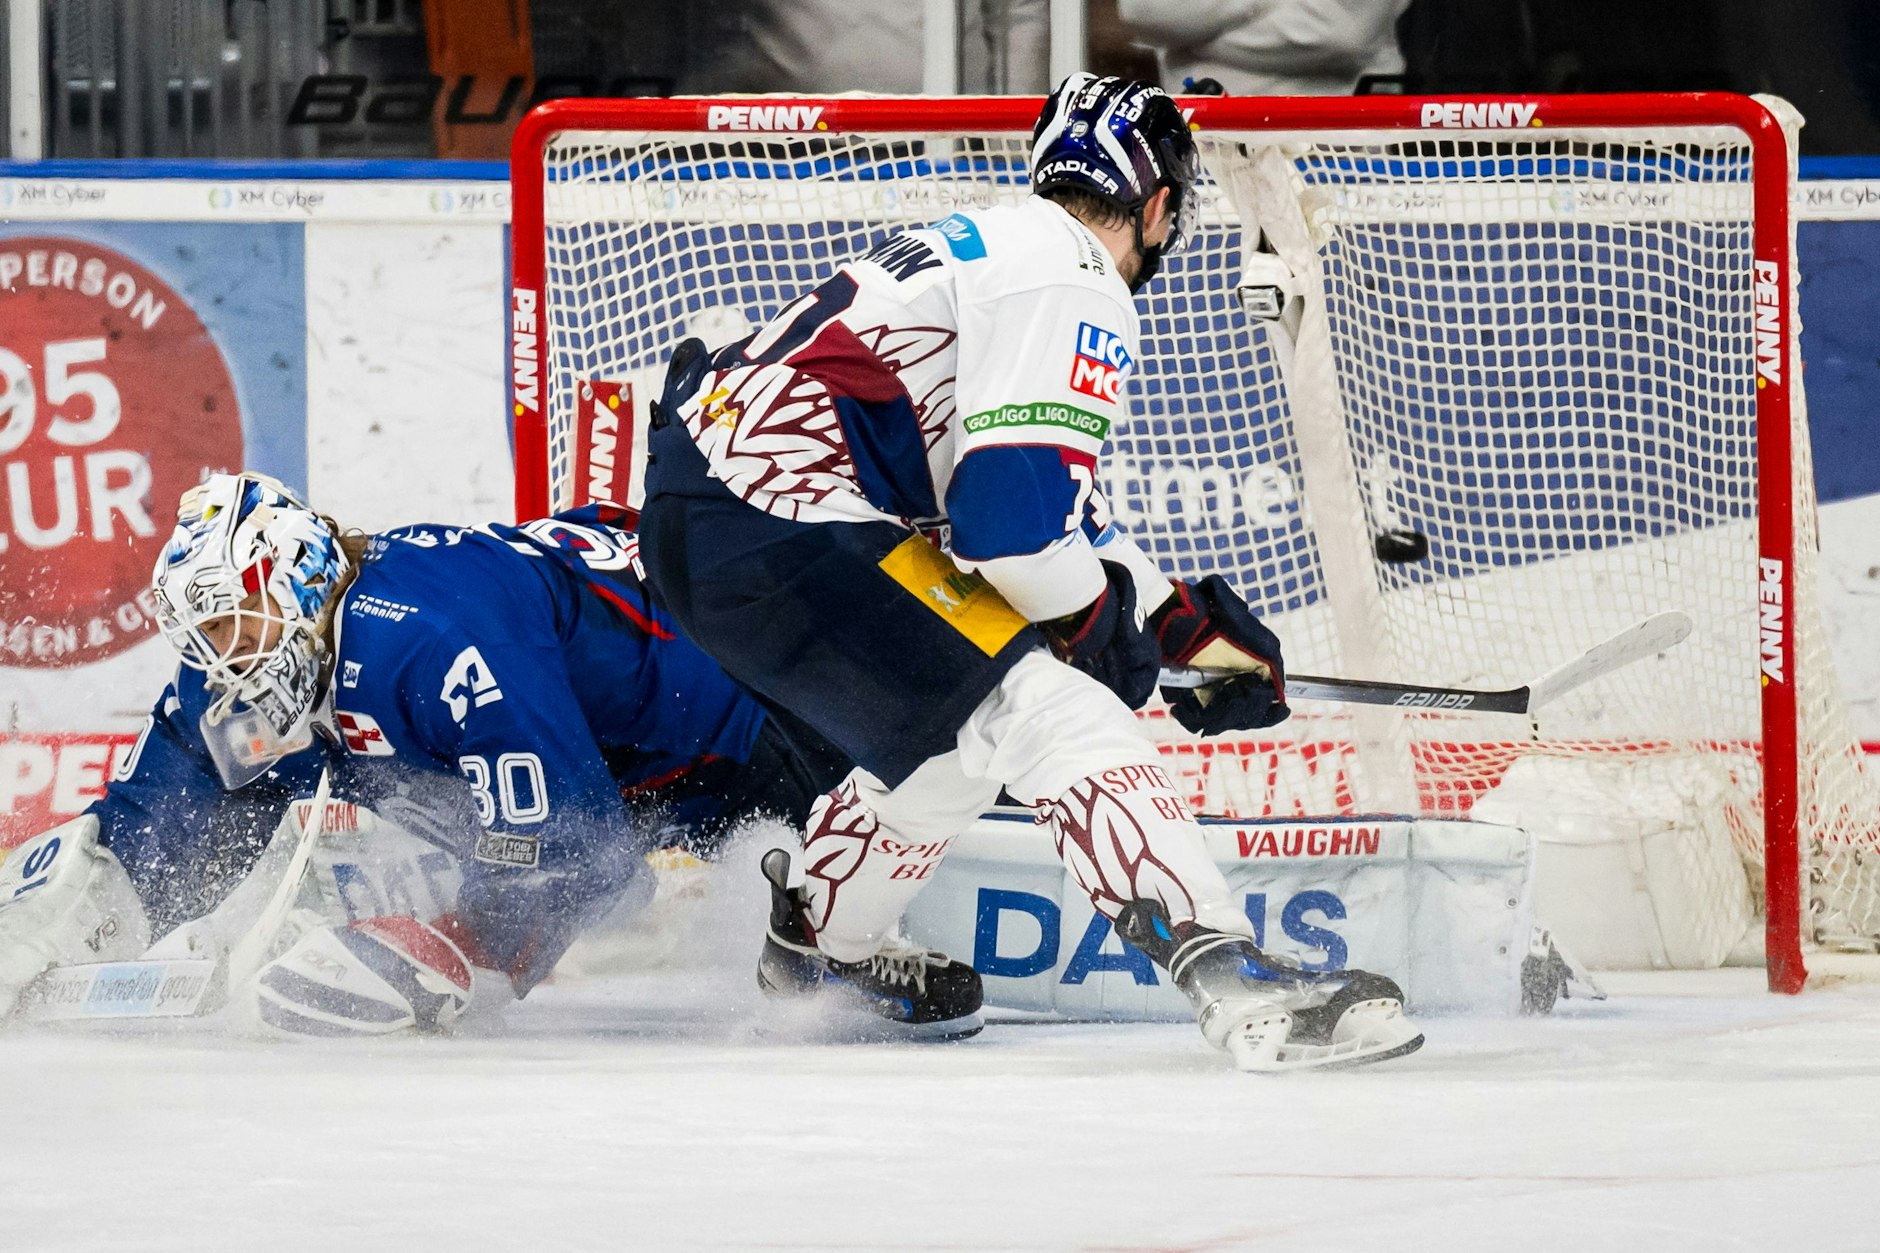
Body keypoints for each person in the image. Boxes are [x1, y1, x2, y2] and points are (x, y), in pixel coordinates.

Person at [635, 73, 1424, 1071]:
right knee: (1050, 708)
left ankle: (820, 949)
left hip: (714, 514)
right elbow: (1004, 528)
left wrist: (1170, 620)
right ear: (1159, 205)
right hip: (780, 514)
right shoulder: (1072, 274)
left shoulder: (1002, 243)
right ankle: (1227, 971)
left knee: (952, 736)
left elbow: (1041, 510)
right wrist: (1100, 630)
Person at [0, 472, 871, 1037]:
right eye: (201, 636)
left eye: (230, 624)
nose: (218, 662)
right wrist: (63, 910)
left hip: (766, 714)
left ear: (300, 577)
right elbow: (164, 821)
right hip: (636, 773)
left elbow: (570, 845)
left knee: (843, 945)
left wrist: (449, 944)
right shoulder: (269, 671)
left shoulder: (426, 638)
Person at [1119, 0, 1413, 97]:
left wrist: (1192, 36)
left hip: (1341, 164)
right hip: (1206, 156)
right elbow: (1145, 10)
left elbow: (1341, 32)